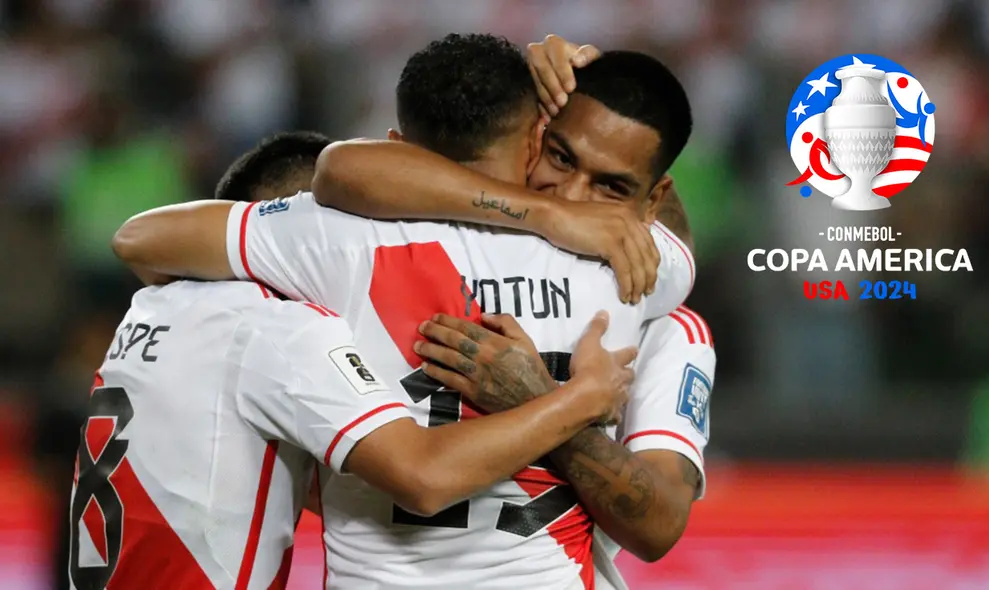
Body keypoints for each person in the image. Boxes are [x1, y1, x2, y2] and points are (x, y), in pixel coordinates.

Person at [111, 35, 701, 588]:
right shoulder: (626, 262)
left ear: (399, 148)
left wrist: (535, 210)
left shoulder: (337, 241)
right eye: (561, 155)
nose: (573, 199)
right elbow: (668, 232)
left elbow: (143, 239)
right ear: (535, 137)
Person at [68, 132, 636, 590]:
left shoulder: (154, 303)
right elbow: (424, 477)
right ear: (296, 226)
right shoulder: (281, 328)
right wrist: (581, 397)